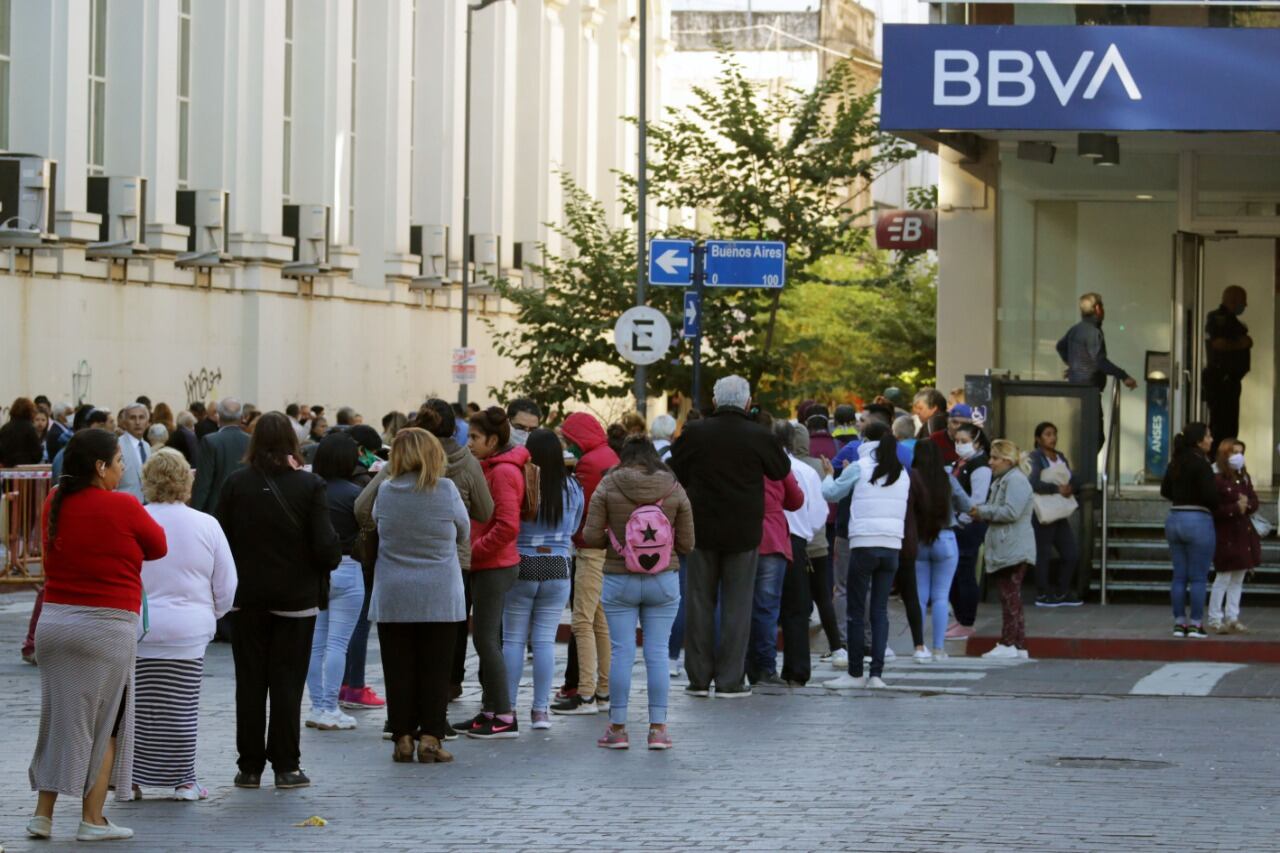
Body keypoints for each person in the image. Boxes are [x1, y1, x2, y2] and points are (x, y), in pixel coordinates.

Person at [26, 429, 167, 842]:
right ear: (100, 466)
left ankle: (43, 815)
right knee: (108, 725)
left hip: (55, 624)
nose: (124, 468)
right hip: (105, 628)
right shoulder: (123, 505)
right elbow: (158, 545)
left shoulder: (56, 499)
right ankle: (93, 818)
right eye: (119, 461)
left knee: (60, 722)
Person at [216, 412, 340, 790]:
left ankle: (249, 767)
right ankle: (286, 765)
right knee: (288, 683)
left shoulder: (236, 484)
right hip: (296, 599)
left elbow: (221, 540)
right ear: (293, 441)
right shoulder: (310, 485)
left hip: (247, 598)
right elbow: (325, 547)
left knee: (250, 683)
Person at [357, 399, 493, 720]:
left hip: (396, 575)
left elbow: (363, 508)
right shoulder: (461, 468)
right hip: (449, 568)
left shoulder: (395, 475)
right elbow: (484, 513)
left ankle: (402, 726)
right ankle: (439, 711)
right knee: (443, 650)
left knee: (400, 655)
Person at [669, 375, 791, 698]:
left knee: (699, 602)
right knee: (738, 606)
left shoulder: (696, 432)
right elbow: (780, 469)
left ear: (714, 399)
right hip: (744, 531)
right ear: (748, 403)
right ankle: (730, 680)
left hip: (702, 529)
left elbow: (674, 467)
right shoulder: (759, 434)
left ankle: (698, 677)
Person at [134, 449, 237, 801]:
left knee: (137, 709)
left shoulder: (137, 519)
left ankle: (130, 777)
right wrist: (214, 614)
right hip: (189, 630)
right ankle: (183, 780)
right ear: (186, 481)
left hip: (139, 628)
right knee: (182, 707)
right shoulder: (207, 524)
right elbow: (227, 582)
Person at [583, 437, 693, 750]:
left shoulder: (608, 484)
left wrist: (617, 544)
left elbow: (590, 535)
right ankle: (658, 729)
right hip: (663, 579)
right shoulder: (673, 486)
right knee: (657, 653)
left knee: (622, 652)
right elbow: (688, 543)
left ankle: (617, 728)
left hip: (620, 579)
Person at [370, 428, 470, 763]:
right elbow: (464, 531)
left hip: (394, 593)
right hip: (440, 592)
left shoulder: (386, 491)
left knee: (398, 668)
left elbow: (374, 522)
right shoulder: (446, 489)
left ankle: (402, 736)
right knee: (436, 668)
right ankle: (430, 737)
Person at [820, 420, 917, 689]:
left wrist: (830, 473)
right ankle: (876, 674)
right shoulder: (900, 471)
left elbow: (830, 493)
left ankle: (854, 673)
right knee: (879, 609)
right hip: (891, 545)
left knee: (855, 608)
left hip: (863, 543)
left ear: (864, 442)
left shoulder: (859, 468)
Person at [452, 407, 526, 738]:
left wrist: (474, 552)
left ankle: (505, 715)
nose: (469, 444)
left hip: (494, 566)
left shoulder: (502, 472)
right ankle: (490, 710)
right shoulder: (492, 468)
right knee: (487, 639)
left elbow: (508, 525)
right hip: (488, 564)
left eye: (476, 438)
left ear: (493, 440)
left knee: (486, 640)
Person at [503, 428, 583, 730]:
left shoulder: (521, 483)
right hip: (558, 565)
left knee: (513, 639)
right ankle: (540, 711)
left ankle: (508, 707)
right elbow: (575, 526)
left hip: (521, 563)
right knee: (545, 641)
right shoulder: (574, 487)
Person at [553, 411, 619, 713]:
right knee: (600, 621)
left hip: (590, 549)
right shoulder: (609, 455)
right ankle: (604, 691)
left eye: (570, 440)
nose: (569, 446)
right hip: (607, 548)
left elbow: (580, 508)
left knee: (581, 620)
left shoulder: (590, 463)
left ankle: (586, 693)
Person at [304, 434, 367, 731]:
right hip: (349, 567)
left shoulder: (311, 490)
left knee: (316, 644)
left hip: (316, 570)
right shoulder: (355, 493)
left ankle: (317, 706)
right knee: (338, 644)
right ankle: (331, 706)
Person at [747, 416, 804, 687]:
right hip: (772, 538)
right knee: (767, 609)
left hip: (743, 536)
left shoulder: (741, 459)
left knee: (739, 606)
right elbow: (796, 500)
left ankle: (741, 666)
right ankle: (766, 668)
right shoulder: (777, 461)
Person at [968, 440, 1035, 659]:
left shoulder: (1015, 480)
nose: (991, 462)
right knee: (1010, 596)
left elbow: (1011, 512)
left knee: (1010, 596)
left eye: (995, 458)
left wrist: (983, 512)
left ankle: (1009, 643)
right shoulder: (1005, 480)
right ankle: (1018, 644)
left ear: (1007, 460)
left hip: (1013, 546)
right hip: (1008, 545)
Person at [777, 422, 832, 686]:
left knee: (761, 607)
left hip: (766, 541)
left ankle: (759, 667)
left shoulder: (765, 470)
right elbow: (819, 513)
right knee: (796, 609)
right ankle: (796, 669)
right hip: (797, 542)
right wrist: (805, 533)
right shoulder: (806, 472)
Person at [1057, 292, 1138, 449]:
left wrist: (1073, 365)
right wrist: (1123, 376)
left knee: (1080, 435)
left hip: (1075, 389)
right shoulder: (1093, 332)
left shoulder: (1076, 329)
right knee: (1095, 438)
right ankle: (1087, 472)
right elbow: (1100, 361)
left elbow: (1061, 346)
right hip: (1089, 390)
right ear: (1098, 308)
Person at [791, 425, 844, 666]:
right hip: (819, 541)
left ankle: (798, 651)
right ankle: (836, 646)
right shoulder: (818, 467)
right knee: (823, 597)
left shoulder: (784, 467)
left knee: (797, 600)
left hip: (794, 541)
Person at [1161, 422, 1218, 638]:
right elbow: (1210, 496)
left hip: (1175, 518)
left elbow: (1165, 490)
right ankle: (1195, 624)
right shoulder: (1202, 464)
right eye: (1208, 436)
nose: (1211, 439)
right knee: (1198, 577)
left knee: (1179, 576)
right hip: (1198, 519)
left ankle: (1179, 623)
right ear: (1198, 440)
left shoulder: (1175, 461)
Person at [913, 441, 969, 659]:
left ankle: (919, 647)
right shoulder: (948, 478)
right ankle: (938, 648)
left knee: (919, 596)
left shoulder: (911, 478)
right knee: (940, 596)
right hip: (945, 538)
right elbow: (966, 504)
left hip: (919, 540)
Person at [1027, 422, 1085, 607]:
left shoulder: (1060, 456)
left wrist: (1071, 487)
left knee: (1071, 553)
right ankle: (1043, 593)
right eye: (1048, 434)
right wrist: (1055, 488)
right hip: (1043, 512)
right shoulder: (1035, 458)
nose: (1052, 438)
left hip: (1059, 511)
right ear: (1038, 438)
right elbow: (1033, 483)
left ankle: (1062, 591)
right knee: (1043, 554)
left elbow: (1070, 476)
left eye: (1054, 434)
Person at [947, 423, 992, 640]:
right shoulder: (960, 463)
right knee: (955, 574)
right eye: (957, 441)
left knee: (965, 573)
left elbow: (977, 500)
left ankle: (967, 621)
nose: (959, 445)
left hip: (969, 526)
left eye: (964, 441)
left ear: (977, 442)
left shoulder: (980, 466)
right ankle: (960, 617)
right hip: (958, 524)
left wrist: (961, 520)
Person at [1209, 439, 1259, 634]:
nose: (1238, 456)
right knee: (1223, 577)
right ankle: (1215, 617)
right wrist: (1234, 508)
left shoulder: (1243, 477)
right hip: (1225, 532)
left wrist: (1248, 505)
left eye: (1241, 452)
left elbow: (1254, 499)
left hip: (1242, 532)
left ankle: (1232, 616)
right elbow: (1214, 507)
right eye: (1234, 452)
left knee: (1238, 577)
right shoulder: (1216, 477)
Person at [1203, 286, 1252, 456]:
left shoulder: (1231, 320)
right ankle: (1217, 465)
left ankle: (1225, 464)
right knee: (1221, 426)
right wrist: (1242, 343)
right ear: (1232, 300)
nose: (1245, 304)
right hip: (1221, 380)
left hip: (1230, 381)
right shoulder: (1219, 318)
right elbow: (1218, 344)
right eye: (1242, 301)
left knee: (1230, 426)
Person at [191, 398, 250, 514]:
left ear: (219, 415)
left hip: (216, 510)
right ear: (241, 417)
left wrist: (195, 511)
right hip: (244, 508)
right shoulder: (251, 441)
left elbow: (203, 482)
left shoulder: (210, 441)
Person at [115, 402, 151, 502]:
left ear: (147, 422)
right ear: (124, 423)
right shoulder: (117, 446)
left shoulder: (147, 446)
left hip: (146, 507)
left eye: (141, 417)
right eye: (132, 418)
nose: (137, 422)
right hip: (124, 505)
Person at [1, 397, 45, 467]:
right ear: (29, 411)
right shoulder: (30, 428)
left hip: (7, 470)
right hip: (26, 470)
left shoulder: (5, 428)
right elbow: (37, 454)